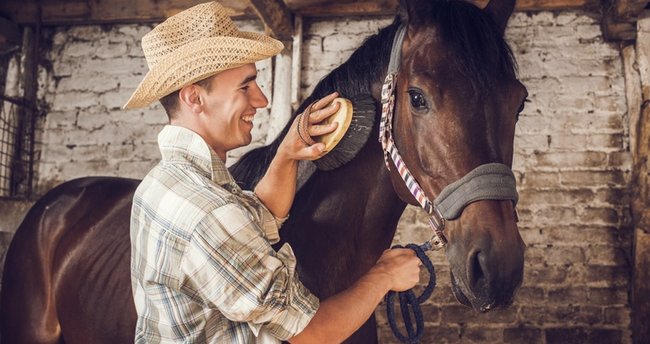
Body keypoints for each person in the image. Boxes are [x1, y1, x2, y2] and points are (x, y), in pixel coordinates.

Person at [124, 2, 421, 343]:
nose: (261, 100)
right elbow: (312, 333)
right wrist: (383, 275)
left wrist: (286, 153)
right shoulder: (209, 212)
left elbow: (257, 219)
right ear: (194, 98)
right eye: (245, 87)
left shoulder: (164, 183)